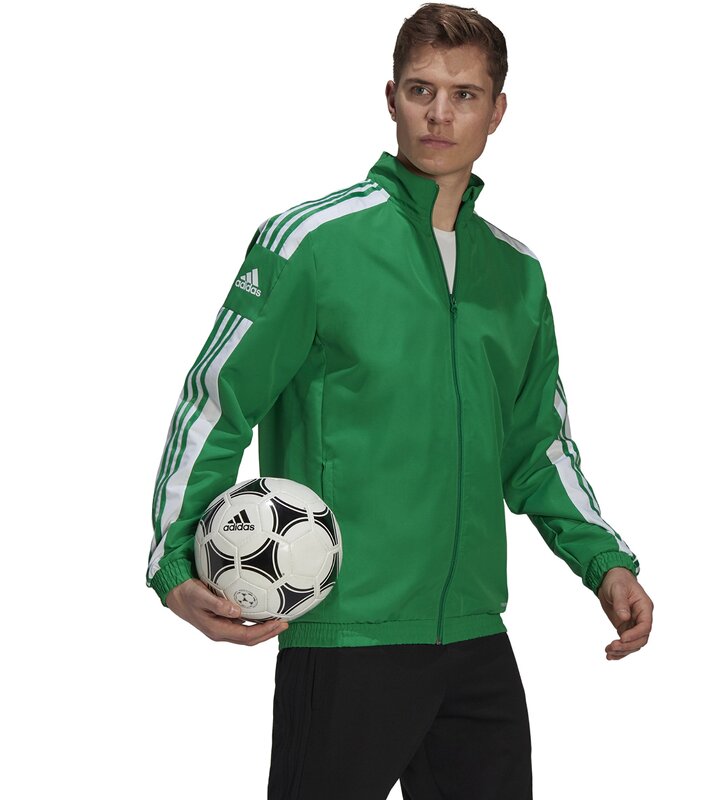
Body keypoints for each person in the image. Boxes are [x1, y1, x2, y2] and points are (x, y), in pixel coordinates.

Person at [147, 3, 654, 798]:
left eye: (464, 94)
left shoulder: (516, 275)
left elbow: (537, 446)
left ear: (497, 110)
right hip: (348, 637)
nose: (440, 114)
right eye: (422, 91)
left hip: (475, 638)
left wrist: (605, 563)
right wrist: (175, 560)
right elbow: (217, 400)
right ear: (391, 98)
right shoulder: (311, 241)